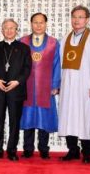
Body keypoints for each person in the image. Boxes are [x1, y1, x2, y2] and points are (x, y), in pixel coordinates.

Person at [58, 5, 90, 164]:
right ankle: (72, 150)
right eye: (74, 17)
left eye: (80, 17)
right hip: (67, 86)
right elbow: (60, 64)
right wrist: (58, 84)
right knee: (68, 117)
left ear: (87, 19)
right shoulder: (65, 38)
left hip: (85, 86)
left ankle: (87, 153)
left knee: (84, 118)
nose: (76, 20)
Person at [0, 19, 31, 161]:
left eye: (12, 28)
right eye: (6, 28)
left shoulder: (24, 48)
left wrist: (17, 81)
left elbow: (27, 69)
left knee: (14, 122)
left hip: (16, 91)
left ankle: (12, 150)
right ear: (2, 30)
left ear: (16, 30)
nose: (9, 30)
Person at [19, 13, 61, 160]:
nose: (38, 25)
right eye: (35, 22)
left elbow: (57, 65)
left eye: (41, 22)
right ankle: (28, 149)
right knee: (28, 117)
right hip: (27, 86)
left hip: (45, 86)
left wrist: (55, 84)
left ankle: (44, 149)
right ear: (31, 24)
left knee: (44, 119)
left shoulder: (53, 43)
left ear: (46, 24)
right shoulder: (23, 41)